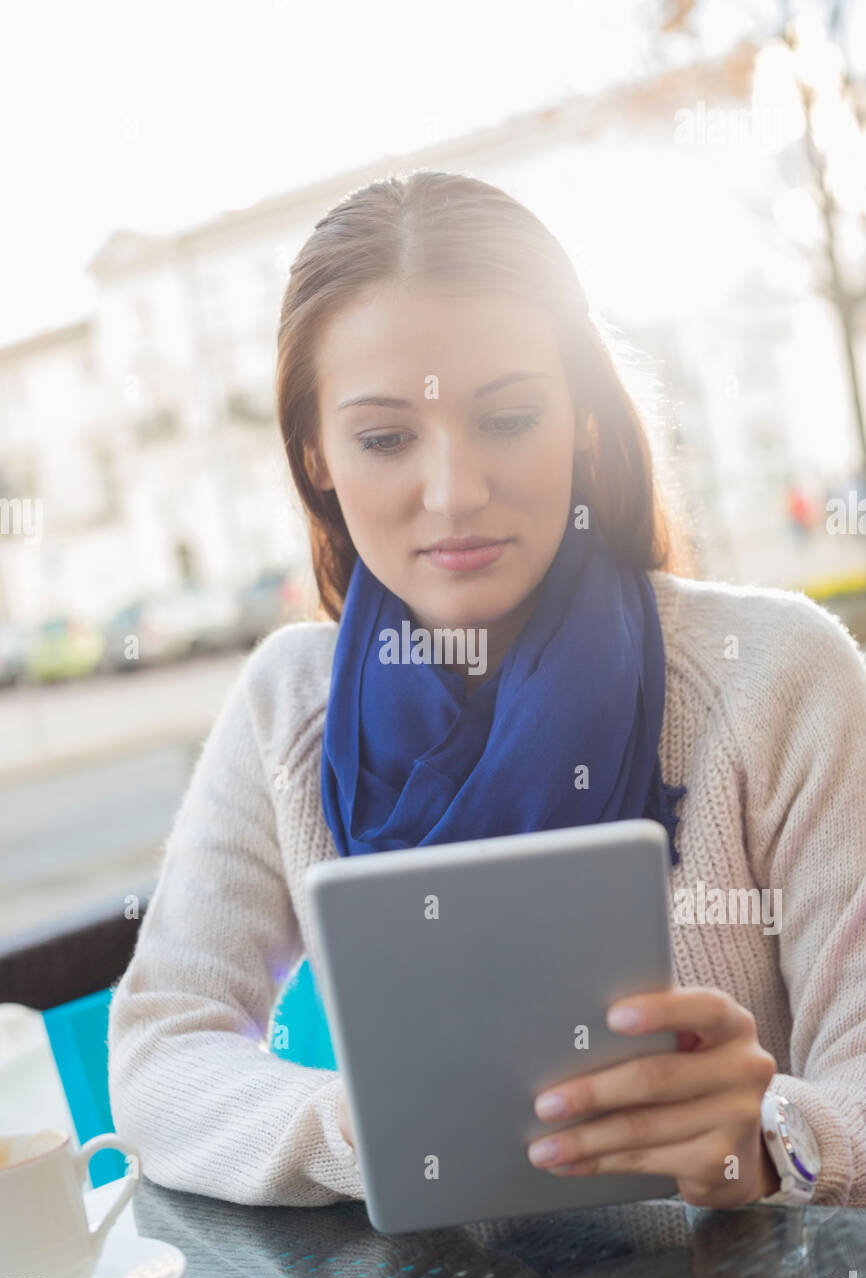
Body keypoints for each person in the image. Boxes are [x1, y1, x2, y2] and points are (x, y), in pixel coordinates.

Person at [108, 171, 866, 1210]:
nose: (454, 490)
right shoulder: (287, 703)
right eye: (383, 438)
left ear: (583, 424)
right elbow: (159, 1052)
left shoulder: (779, 672)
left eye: (508, 417)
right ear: (313, 457)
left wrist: (772, 1135)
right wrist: (368, 1128)